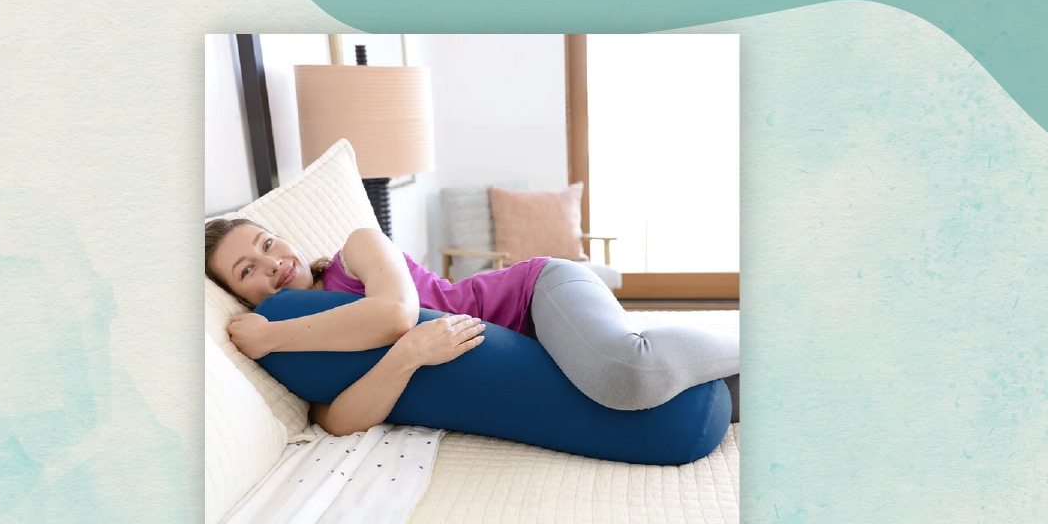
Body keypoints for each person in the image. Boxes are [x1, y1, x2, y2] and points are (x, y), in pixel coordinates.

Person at [205, 218, 740, 436]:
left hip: (533, 296)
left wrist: (271, 335)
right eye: (246, 269)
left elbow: (396, 314)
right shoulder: (301, 352)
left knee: (629, 375)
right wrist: (404, 358)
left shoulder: (356, 250)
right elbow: (336, 421)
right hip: (526, 358)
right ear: (235, 296)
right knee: (696, 401)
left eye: (267, 243)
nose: (270, 261)